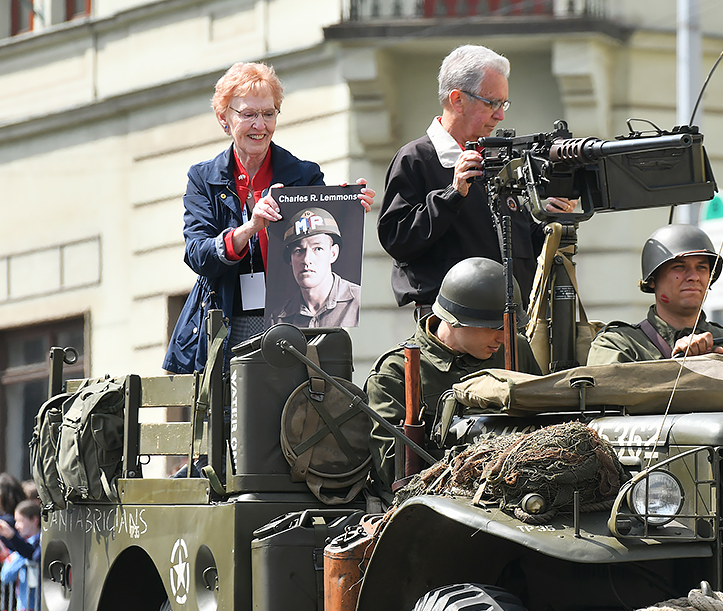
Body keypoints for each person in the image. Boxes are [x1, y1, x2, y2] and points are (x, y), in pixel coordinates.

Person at [165, 61, 375, 373]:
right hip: (226, 323)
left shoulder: (304, 174)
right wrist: (250, 227)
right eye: (248, 114)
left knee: (289, 415)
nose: (260, 125)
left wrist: (345, 206)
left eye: (268, 113)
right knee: (229, 417)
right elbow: (198, 254)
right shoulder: (203, 178)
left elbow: (323, 246)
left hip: (293, 322)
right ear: (224, 119)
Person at [377, 44, 576, 320]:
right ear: (457, 99)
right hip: (453, 328)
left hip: (515, 323)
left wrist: (550, 220)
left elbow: (519, 248)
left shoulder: (496, 159)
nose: (500, 115)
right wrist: (452, 194)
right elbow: (396, 239)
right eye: (491, 103)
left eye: (503, 104)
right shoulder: (416, 158)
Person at [366, 257, 543, 488]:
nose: (502, 337)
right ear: (455, 320)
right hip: (430, 506)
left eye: (508, 326)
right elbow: (392, 470)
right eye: (493, 327)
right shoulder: (395, 372)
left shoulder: (514, 349)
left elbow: (545, 423)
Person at [585, 224, 723, 364]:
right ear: (653, 279)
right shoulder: (619, 345)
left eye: (702, 267)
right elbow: (605, 395)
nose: (694, 277)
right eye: (679, 267)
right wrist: (679, 368)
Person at [268, 208, 361, 328]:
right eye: (298, 251)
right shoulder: (278, 318)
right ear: (290, 259)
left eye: (318, 249)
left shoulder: (359, 302)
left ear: (333, 253)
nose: (307, 260)